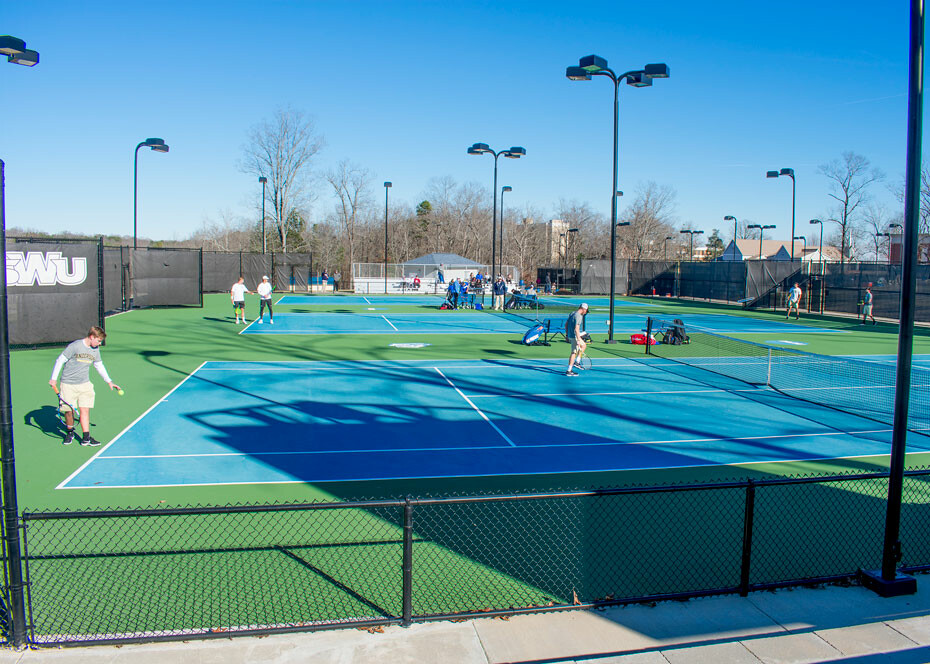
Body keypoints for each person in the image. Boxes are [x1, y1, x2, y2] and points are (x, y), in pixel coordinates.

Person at [49, 326, 120, 447]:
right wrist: (53, 378)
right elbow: (60, 360)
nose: (100, 343)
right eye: (98, 340)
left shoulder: (95, 349)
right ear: (92, 337)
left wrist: (109, 381)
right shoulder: (75, 346)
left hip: (85, 384)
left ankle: (86, 437)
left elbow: (99, 365)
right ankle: (70, 432)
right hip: (68, 384)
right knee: (68, 412)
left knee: (85, 410)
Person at [565, 303, 589, 376]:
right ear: (583, 309)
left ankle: (574, 365)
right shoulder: (579, 316)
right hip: (574, 336)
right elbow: (577, 329)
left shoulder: (572, 313)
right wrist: (578, 340)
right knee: (575, 352)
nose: (586, 312)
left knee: (581, 347)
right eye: (586, 310)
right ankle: (572, 367)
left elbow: (566, 324)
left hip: (570, 335)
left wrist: (566, 335)